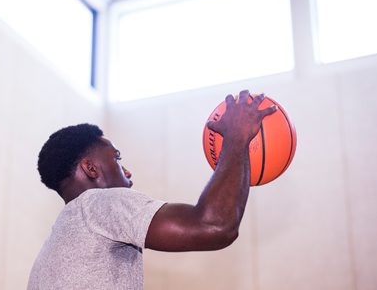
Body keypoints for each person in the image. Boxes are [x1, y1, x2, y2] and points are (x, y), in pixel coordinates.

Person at [27, 90, 277, 290]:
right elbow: (214, 226)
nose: (127, 172)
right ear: (91, 168)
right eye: (117, 158)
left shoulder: (45, 261)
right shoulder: (99, 204)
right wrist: (237, 137)